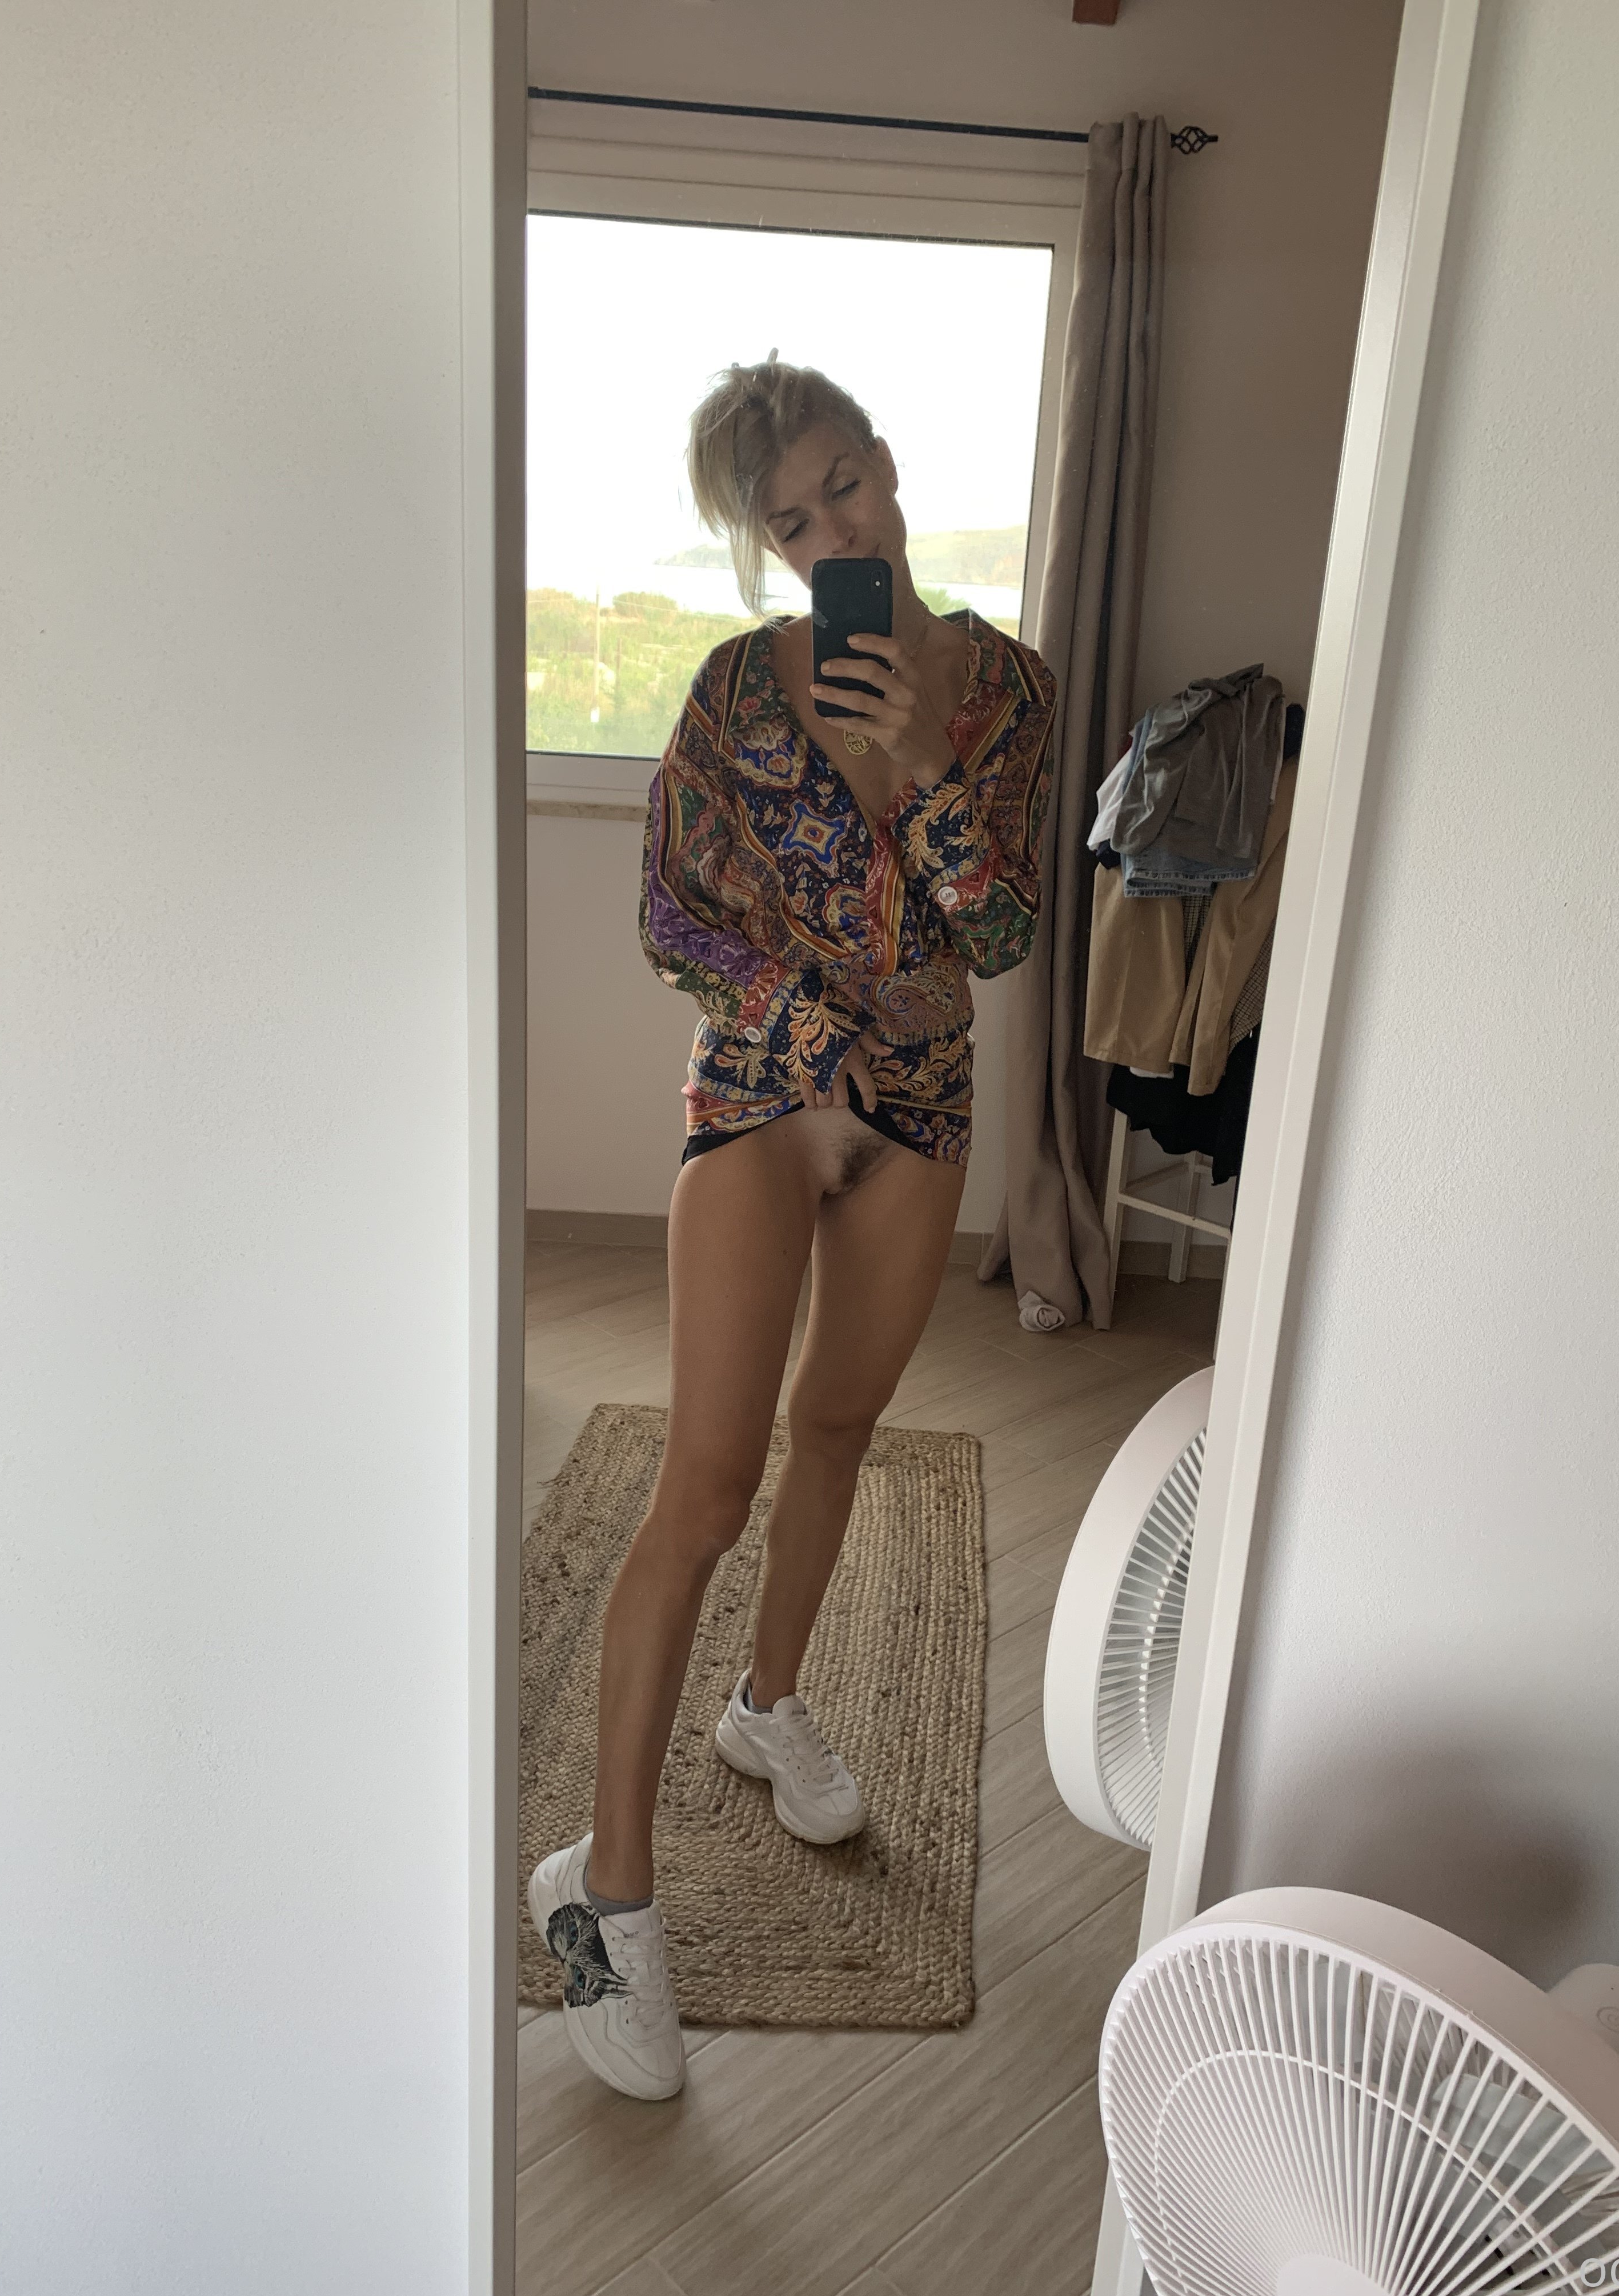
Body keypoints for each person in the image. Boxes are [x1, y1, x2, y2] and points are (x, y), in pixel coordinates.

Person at [528, 360, 1057, 2098]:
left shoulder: (1009, 691)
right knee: (704, 1484)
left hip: (925, 1104)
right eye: (792, 520)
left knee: (840, 1426)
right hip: (764, 1088)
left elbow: (1002, 936)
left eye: (845, 487)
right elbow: (669, 913)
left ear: (887, 468)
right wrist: (802, 1021)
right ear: (768, 548)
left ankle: (766, 1709)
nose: (834, 530)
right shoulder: (733, 691)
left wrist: (920, 761)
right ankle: (607, 1896)